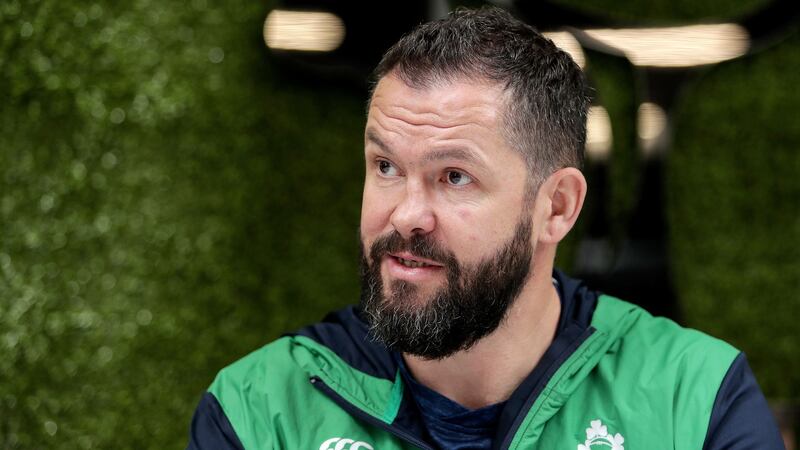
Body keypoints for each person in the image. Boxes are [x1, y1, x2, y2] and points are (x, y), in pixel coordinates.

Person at [187, 7, 784, 450]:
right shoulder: (259, 410)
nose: (404, 216)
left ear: (557, 207)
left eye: (454, 177)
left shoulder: (697, 397)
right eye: (386, 166)